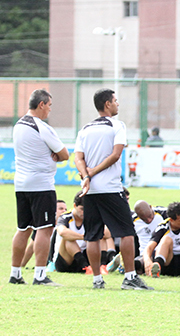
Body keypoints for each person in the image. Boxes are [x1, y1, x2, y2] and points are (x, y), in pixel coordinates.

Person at [74, 89, 150, 290]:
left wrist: (86, 176)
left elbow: (78, 158)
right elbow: (116, 155)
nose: (118, 104)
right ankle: (130, 277)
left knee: (92, 235)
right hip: (110, 188)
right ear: (107, 104)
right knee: (127, 232)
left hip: (90, 190)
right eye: (115, 101)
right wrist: (93, 172)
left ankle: (97, 280)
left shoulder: (84, 129)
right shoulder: (117, 125)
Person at [10, 89, 70, 286]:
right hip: (41, 185)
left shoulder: (18, 125)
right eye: (49, 105)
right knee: (44, 229)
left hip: (21, 184)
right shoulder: (41, 127)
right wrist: (54, 155)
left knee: (23, 229)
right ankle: (40, 275)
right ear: (41, 104)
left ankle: (15, 273)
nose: (50, 110)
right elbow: (64, 154)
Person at [146, 202, 180, 278]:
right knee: (166, 239)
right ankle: (157, 266)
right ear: (171, 220)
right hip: (168, 262)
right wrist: (147, 260)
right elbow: (149, 247)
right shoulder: (163, 227)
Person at [53, 193, 90, 273]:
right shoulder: (65, 217)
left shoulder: (90, 218)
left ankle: (103, 264)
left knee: (101, 236)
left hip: (84, 255)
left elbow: (106, 233)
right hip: (64, 260)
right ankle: (85, 266)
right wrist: (85, 237)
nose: (84, 212)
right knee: (68, 238)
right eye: (82, 209)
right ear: (74, 205)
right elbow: (62, 232)